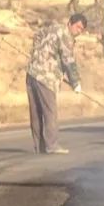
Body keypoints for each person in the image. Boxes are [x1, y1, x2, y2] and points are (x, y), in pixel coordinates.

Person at [25, 14, 88, 155]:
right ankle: (52, 145)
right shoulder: (65, 35)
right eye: (77, 27)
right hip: (46, 77)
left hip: (32, 72)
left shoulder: (52, 28)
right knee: (49, 111)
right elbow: (68, 60)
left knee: (36, 113)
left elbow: (37, 35)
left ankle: (39, 146)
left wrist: (38, 53)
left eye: (81, 29)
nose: (78, 31)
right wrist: (75, 82)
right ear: (70, 23)